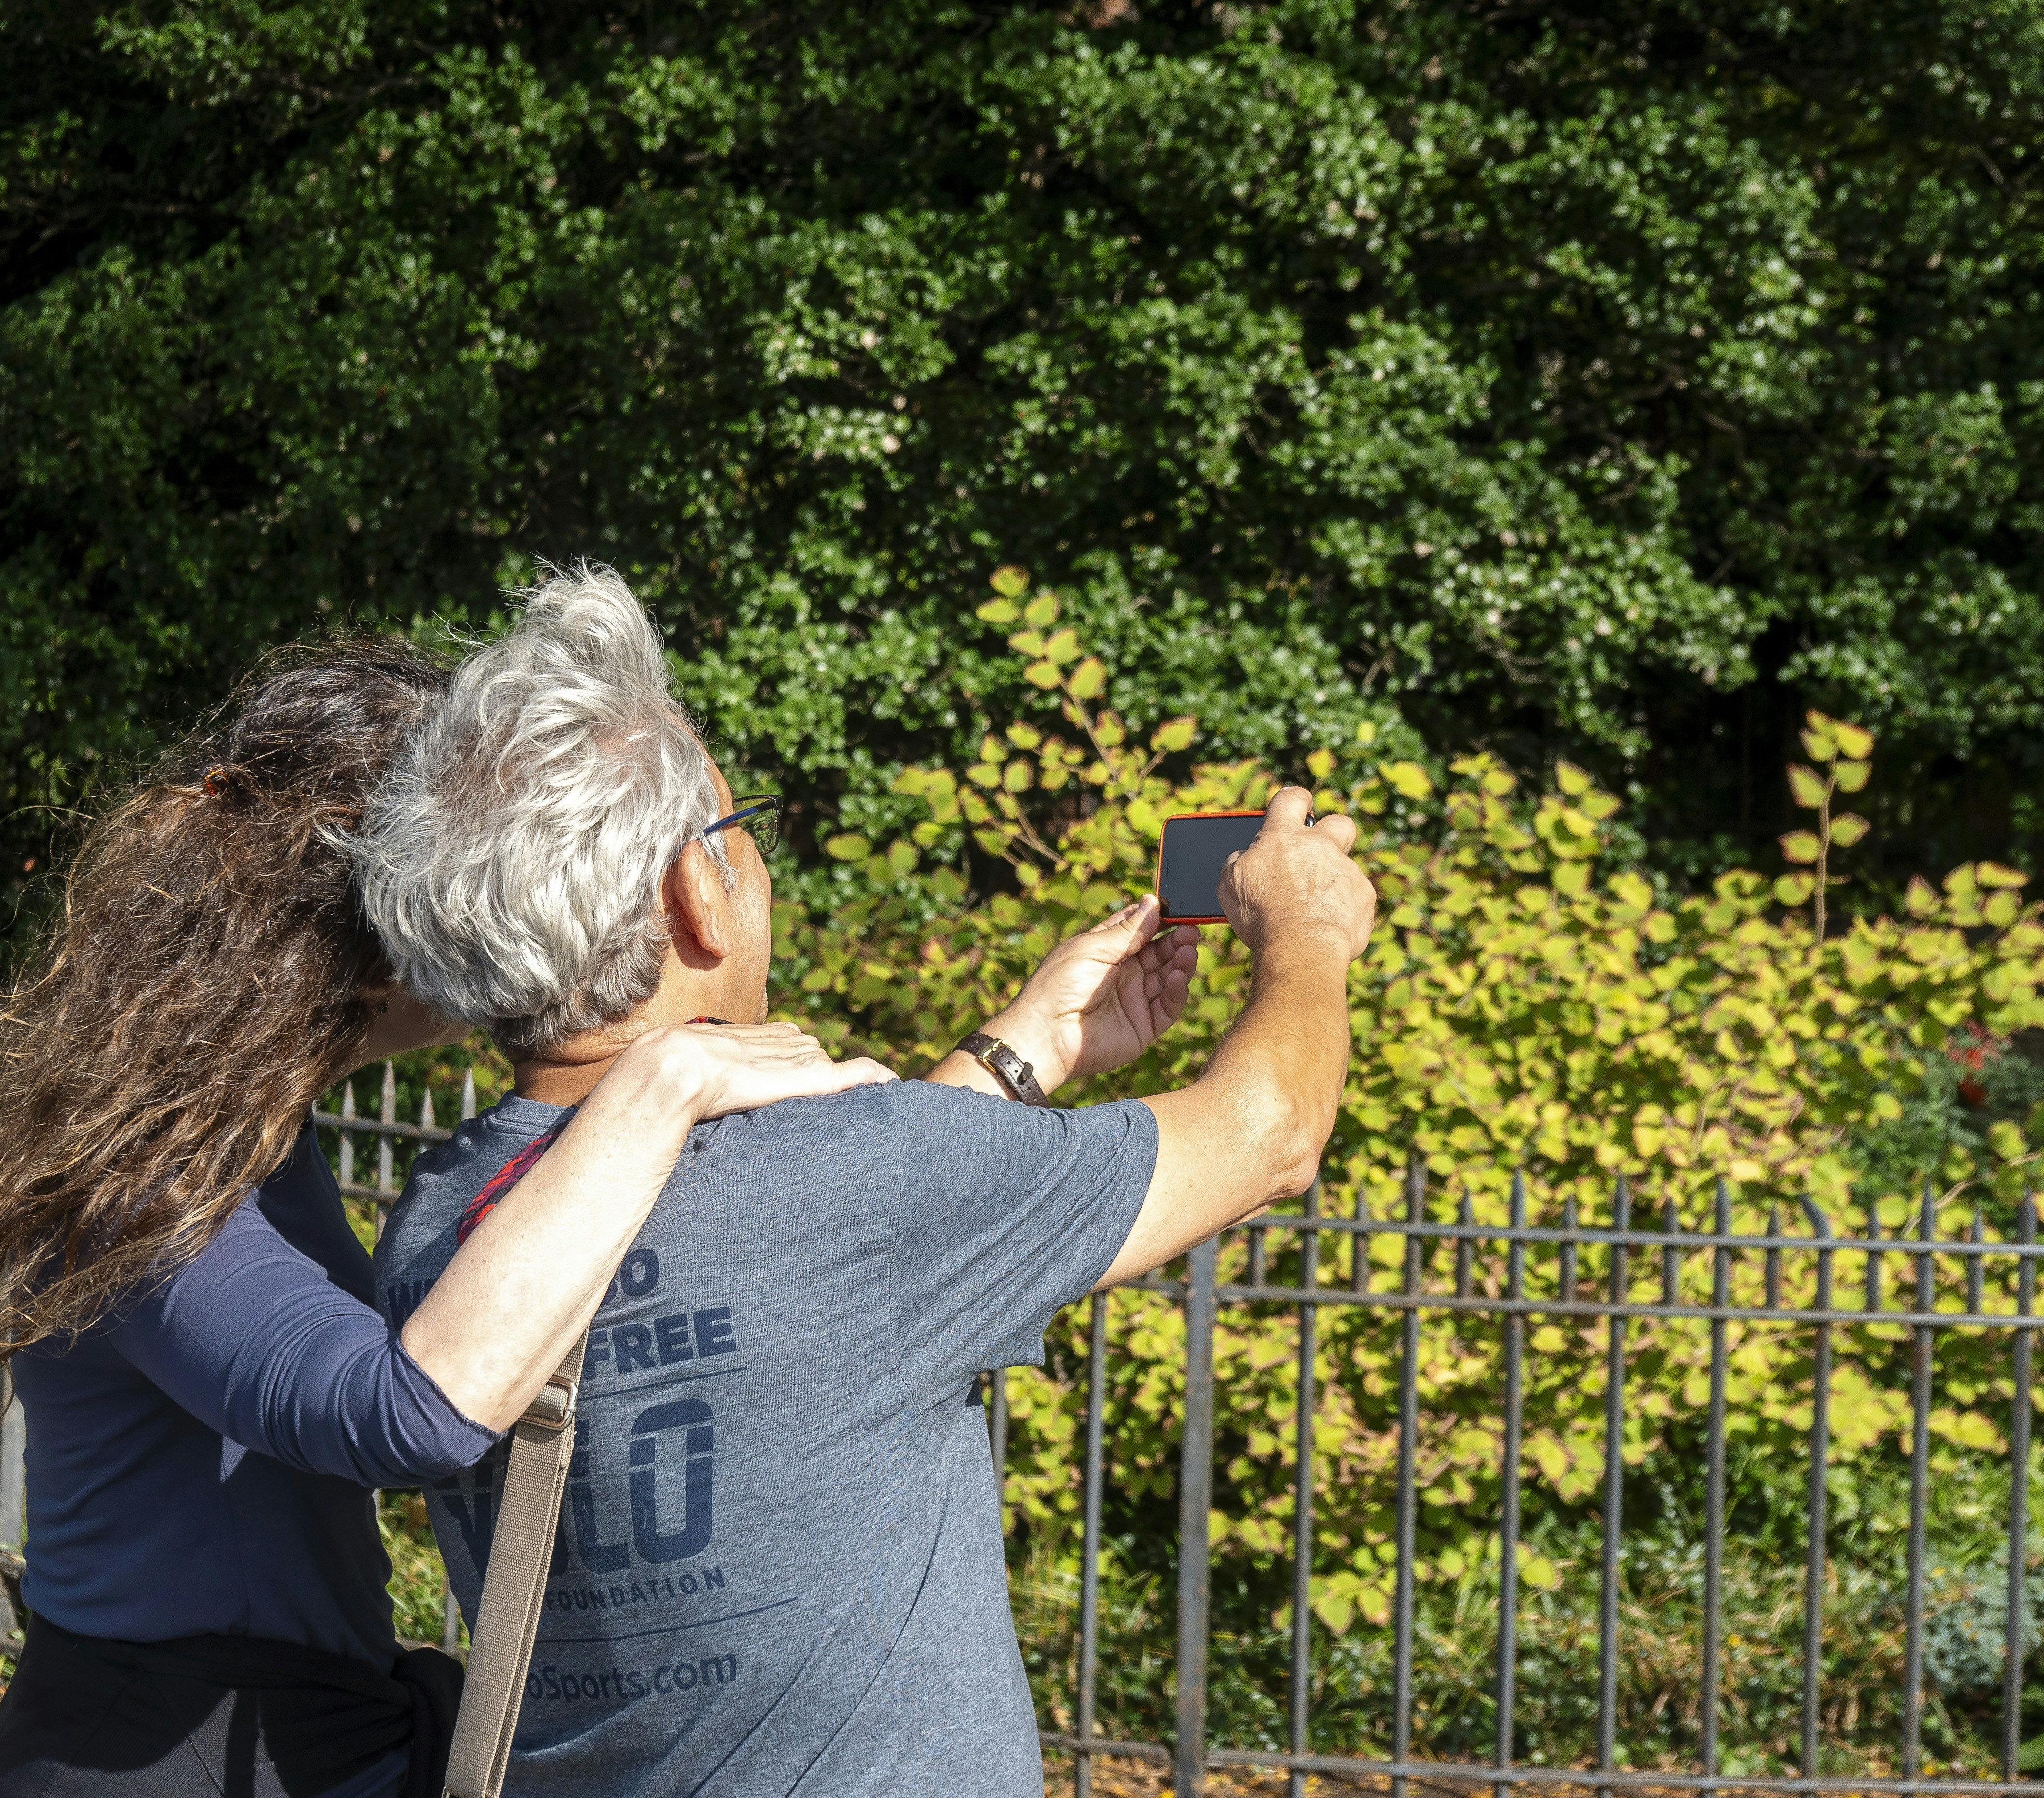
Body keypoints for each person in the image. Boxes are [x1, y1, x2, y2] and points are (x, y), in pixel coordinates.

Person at [354, 567, 1374, 1798]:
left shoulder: (438, 1229)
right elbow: (1270, 1134)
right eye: (745, 836)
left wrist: (1024, 1050)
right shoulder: (869, 1182)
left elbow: (790, 1249)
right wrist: (1312, 930)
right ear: (696, 895)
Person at [0, 640, 898, 1798]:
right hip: (166, 1752)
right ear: (375, 906)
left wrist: (1020, 1057)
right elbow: (406, 1413)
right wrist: (665, 1079)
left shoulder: (236, 1126)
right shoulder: (138, 1159)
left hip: (268, 1730)